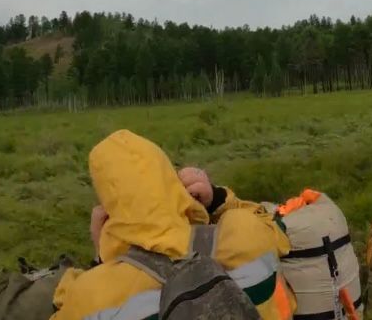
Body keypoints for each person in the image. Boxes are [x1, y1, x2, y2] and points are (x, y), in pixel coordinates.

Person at [51, 129, 295, 320]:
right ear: (170, 180)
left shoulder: (90, 294)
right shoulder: (245, 232)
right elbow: (275, 229)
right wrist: (216, 200)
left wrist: (100, 257)